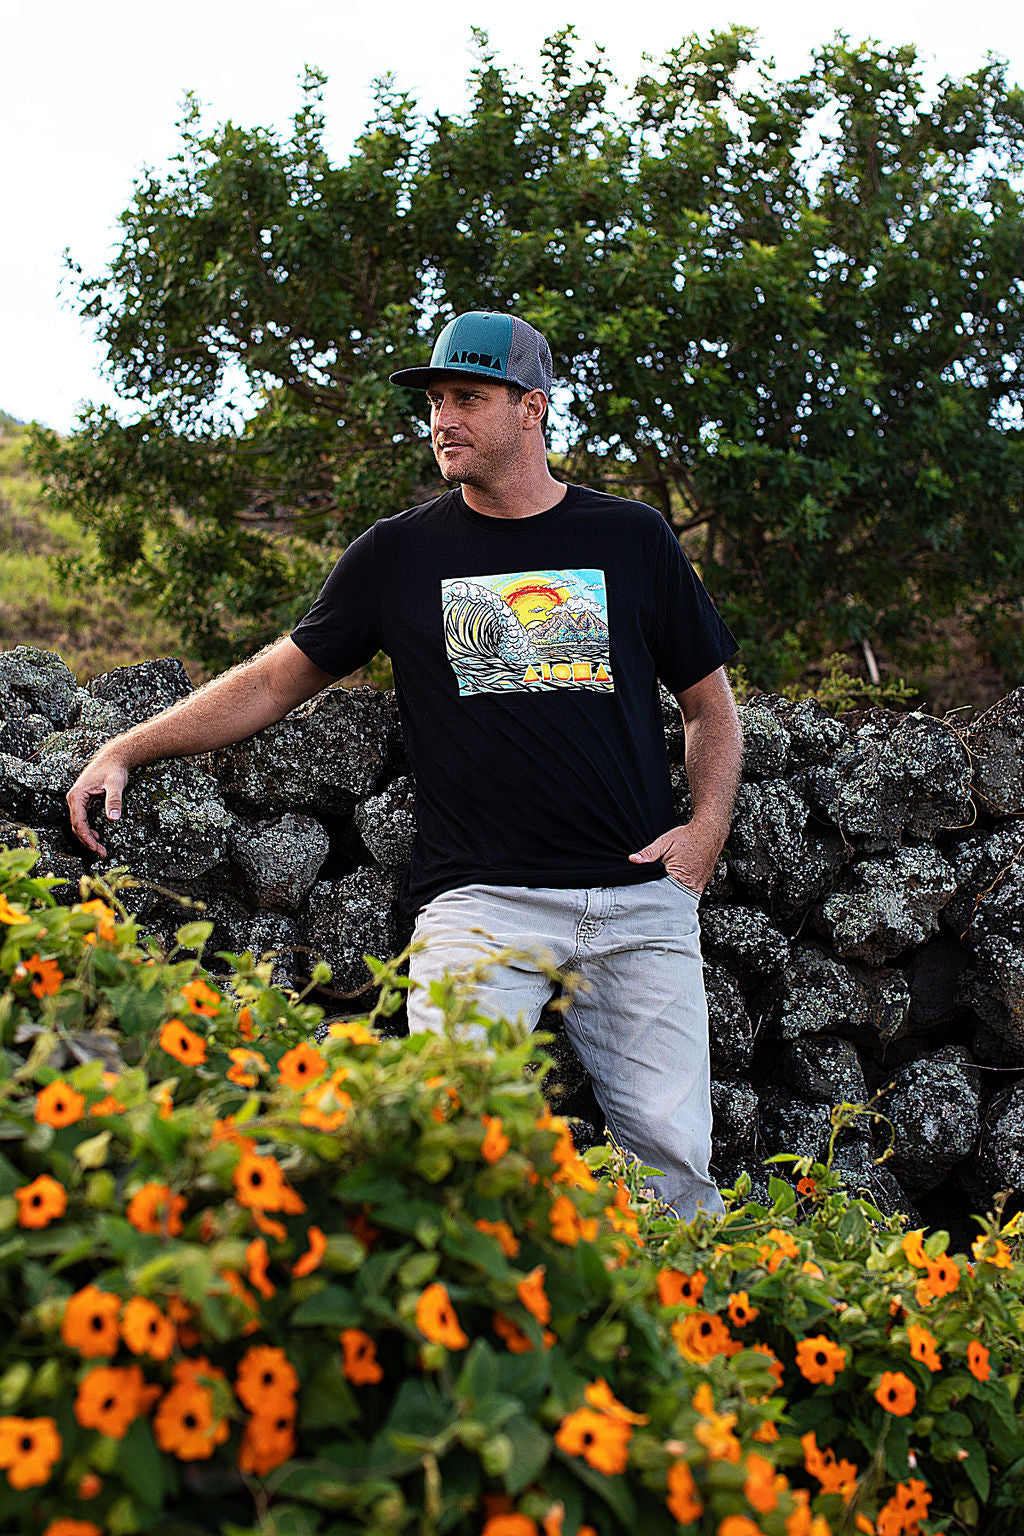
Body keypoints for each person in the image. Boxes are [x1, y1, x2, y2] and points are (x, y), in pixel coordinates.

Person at [67, 310, 742, 1219]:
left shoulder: (632, 538)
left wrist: (701, 839)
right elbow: (274, 681)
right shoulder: (397, 554)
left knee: (676, 1174)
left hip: (637, 905)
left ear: (532, 408)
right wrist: (125, 744)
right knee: (447, 1150)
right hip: (479, 905)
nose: (443, 419)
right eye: (434, 401)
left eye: (469, 396)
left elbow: (710, 707)